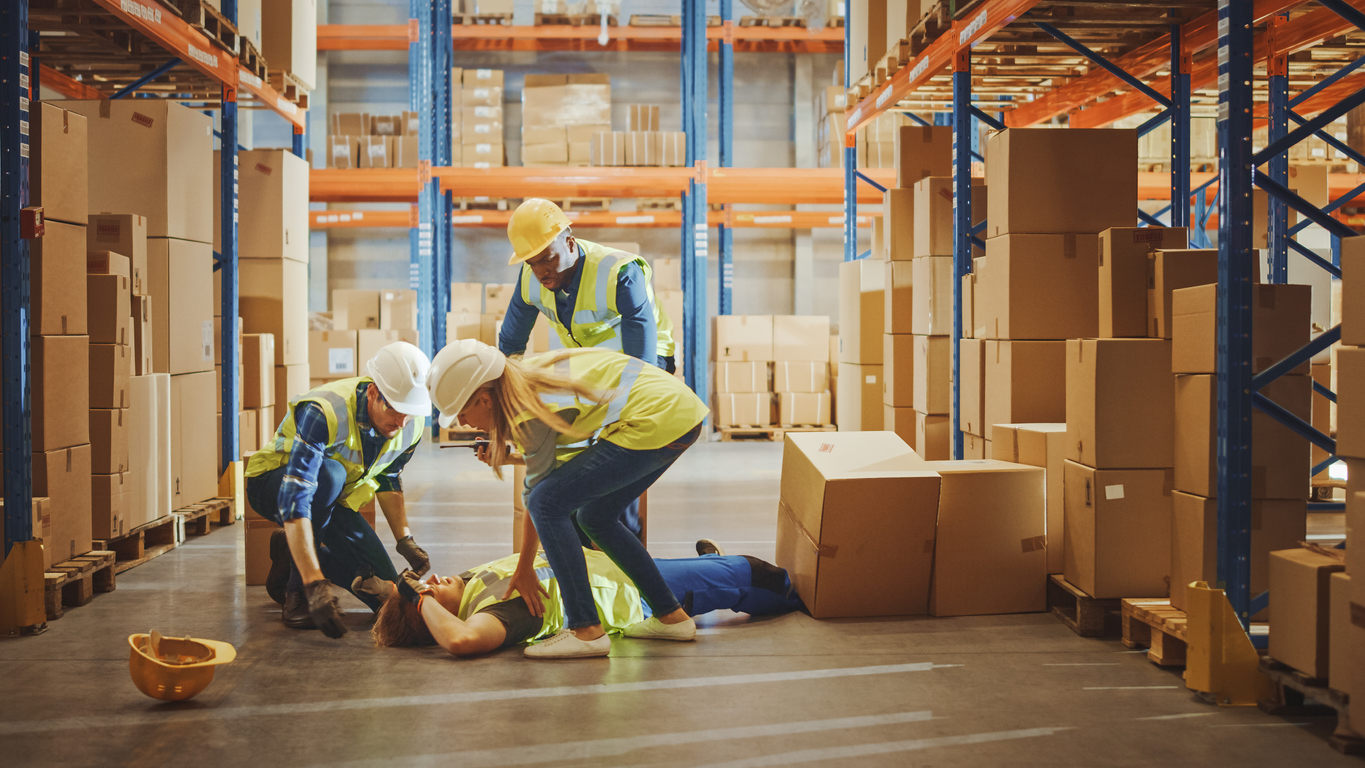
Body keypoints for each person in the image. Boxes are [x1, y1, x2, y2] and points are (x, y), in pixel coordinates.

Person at [426, 340, 709, 658]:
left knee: (548, 503)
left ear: (485, 399)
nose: (462, 423)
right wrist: (515, 457)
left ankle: (586, 630)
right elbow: (570, 460)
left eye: (463, 413)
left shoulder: (527, 410)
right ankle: (671, 617)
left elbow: (540, 496)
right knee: (594, 517)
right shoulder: (525, 378)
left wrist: (525, 568)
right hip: (675, 413)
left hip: (655, 419)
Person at [245, 341, 433, 638]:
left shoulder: (411, 424)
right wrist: (311, 584)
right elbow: (297, 499)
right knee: (329, 475)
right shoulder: (325, 410)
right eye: (395, 409)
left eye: (409, 412)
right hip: (272, 485)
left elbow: (389, 476)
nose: (401, 421)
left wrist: (404, 539)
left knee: (387, 597)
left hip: (331, 503)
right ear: (373, 392)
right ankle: (295, 593)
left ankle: (288, 550)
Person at [372, 540, 804, 654]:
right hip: (634, 592)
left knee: (713, 570)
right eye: (427, 596)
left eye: (425, 586)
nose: (431, 583)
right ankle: (790, 596)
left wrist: (407, 597)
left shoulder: (469, 583)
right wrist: (420, 601)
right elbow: (461, 641)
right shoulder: (497, 612)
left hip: (614, 565)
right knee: (755, 573)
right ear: (430, 619)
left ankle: (716, 564)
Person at [496, 197, 676, 373]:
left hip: (651, 355)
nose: (540, 272)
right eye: (531, 263)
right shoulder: (530, 278)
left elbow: (641, 360)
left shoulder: (620, 274)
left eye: (548, 260)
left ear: (570, 244)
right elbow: (511, 343)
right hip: (594, 359)